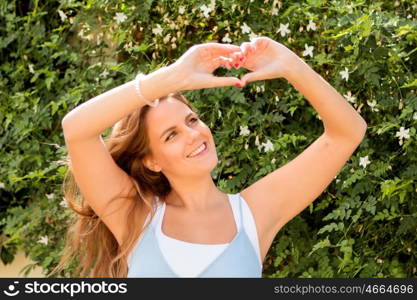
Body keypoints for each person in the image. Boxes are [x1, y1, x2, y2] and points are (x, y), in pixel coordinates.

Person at [52, 36, 367, 278]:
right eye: (171, 135)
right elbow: (76, 131)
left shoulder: (254, 214)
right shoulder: (134, 215)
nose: (193, 134)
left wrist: (290, 65)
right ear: (152, 161)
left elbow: (347, 132)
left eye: (191, 120)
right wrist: (170, 78)